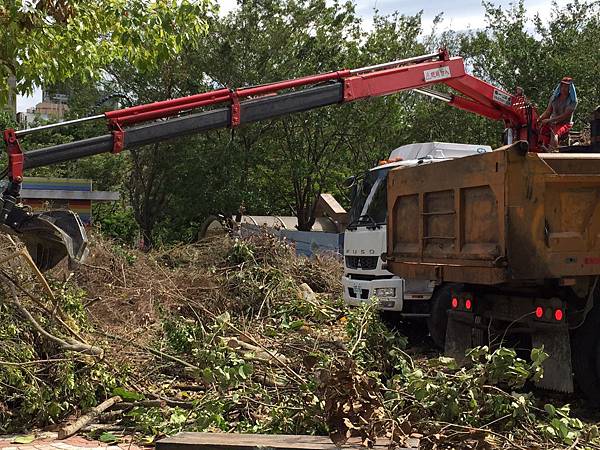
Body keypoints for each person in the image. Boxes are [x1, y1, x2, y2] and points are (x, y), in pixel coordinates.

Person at [538, 77, 578, 151]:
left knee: (554, 133)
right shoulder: (554, 98)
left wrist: (549, 120)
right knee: (539, 130)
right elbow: (547, 112)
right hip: (552, 122)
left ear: (570, 88)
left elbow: (565, 115)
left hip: (565, 123)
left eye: (566, 86)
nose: (564, 88)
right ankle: (540, 149)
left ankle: (551, 152)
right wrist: (538, 119)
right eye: (563, 85)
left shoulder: (573, 101)